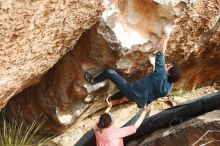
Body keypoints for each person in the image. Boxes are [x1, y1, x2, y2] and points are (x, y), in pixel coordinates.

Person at [85, 23, 182, 108]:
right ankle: (111, 99)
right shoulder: (168, 88)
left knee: (110, 72)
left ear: (169, 74)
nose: (166, 64)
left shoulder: (161, 75)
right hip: (141, 100)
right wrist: (153, 74)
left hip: (132, 91)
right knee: (125, 90)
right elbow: (156, 85)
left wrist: (166, 36)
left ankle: (93, 81)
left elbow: (160, 53)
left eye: (168, 66)